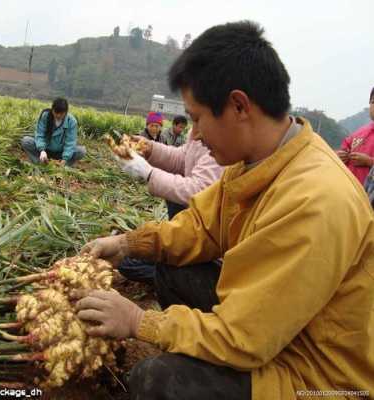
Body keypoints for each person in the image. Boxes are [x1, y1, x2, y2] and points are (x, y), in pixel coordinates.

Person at [74, 21, 374, 400]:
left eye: (197, 118)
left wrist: (140, 322)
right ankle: (207, 358)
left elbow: (245, 337)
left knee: (157, 383)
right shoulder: (251, 164)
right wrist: (130, 243)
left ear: (238, 106)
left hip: (318, 380)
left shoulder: (314, 199)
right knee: (171, 268)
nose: (194, 135)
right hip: (276, 333)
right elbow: (201, 227)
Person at [115, 125, 223, 283]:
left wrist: (148, 173)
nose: (195, 133)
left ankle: (169, 276)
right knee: (130, 261)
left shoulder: (226, 145)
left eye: (198, 117)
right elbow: (182, 157)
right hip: (196, 233)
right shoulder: (206, 132)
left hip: (210, 248)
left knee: (154, 268)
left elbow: (200, 190)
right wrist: (151, 148)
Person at [20, 98, 86, 167]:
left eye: (61, 113)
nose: (58, 115)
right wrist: (42, 150)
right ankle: (40, 162)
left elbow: (70, 142)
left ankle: (62, 165)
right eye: (56, 112)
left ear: (66, 112)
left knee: (81, 151)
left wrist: (65, 158)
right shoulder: (45, 116)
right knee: (26, 141)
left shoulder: (71, 121)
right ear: (52, 109)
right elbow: (40, 134)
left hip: (61, 153)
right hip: (45, 150)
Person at [336, 87, 374, 184]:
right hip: (350, 193)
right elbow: (343, 148)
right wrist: (339, 156)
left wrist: (369, 162)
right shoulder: (359, 132)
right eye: (373, 102)